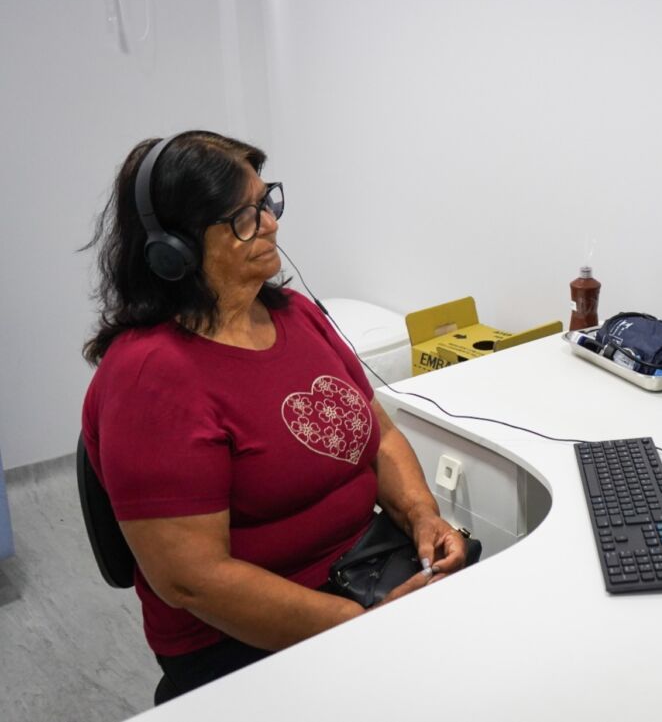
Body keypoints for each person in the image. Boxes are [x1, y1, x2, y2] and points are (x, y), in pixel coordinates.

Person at [81, 131, 467, 700]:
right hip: (237, 637)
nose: (270, 224)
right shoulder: (149, 379)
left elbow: (380, 436)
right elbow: (193, 581)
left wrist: (421, 516)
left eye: (267, 202)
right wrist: (360, 625)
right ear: (175, 249)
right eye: (243, 217)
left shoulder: (298, 315)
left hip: (365, 567)